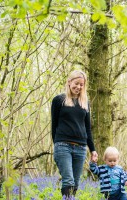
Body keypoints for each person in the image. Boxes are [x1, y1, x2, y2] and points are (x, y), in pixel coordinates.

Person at [51, 70, 98, 198]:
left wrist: (92, 150)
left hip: (81, 148)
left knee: (76, 183)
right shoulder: (58, 100)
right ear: (69, 82)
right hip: (63, 146)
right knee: (68, 180)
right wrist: (56, 145)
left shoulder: (85, 103)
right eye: (76, 83)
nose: (78, 87)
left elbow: (88, 129)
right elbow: (53, 126)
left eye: (81, 84)